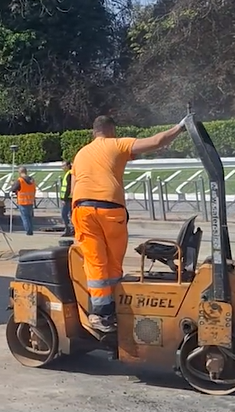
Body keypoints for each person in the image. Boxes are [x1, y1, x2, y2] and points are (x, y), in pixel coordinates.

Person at [71, 115, 187, 333]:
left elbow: (73, 187)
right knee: (113, 262)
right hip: (110, 209)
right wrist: (180, 127)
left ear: (94, 132)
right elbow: (156, 141)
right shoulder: (116, 144)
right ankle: (114, 307)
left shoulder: (80, 153)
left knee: (95, 261)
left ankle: (100, 313)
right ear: (111, 130)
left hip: (82, 210)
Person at [9, 167, 37, 235]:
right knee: (30, 217)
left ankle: (28, 231)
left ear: (20, 172)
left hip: (22, 202)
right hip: (30, 201)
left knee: (25, 217)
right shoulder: (32, 180)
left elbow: (13, 189)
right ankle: (31, 230)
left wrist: (12, 184)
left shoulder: (20, 180)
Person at [59, 160, 74, 237]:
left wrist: (64, 199)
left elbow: (68, 187)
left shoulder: (70, 174)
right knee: (69, 214)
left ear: (68, 166)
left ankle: (69, 229)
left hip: (68, 199)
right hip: (67, 198)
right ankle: (70, 229)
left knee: (64, 214)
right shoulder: (67, 173)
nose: (62, 167)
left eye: (63, 166)